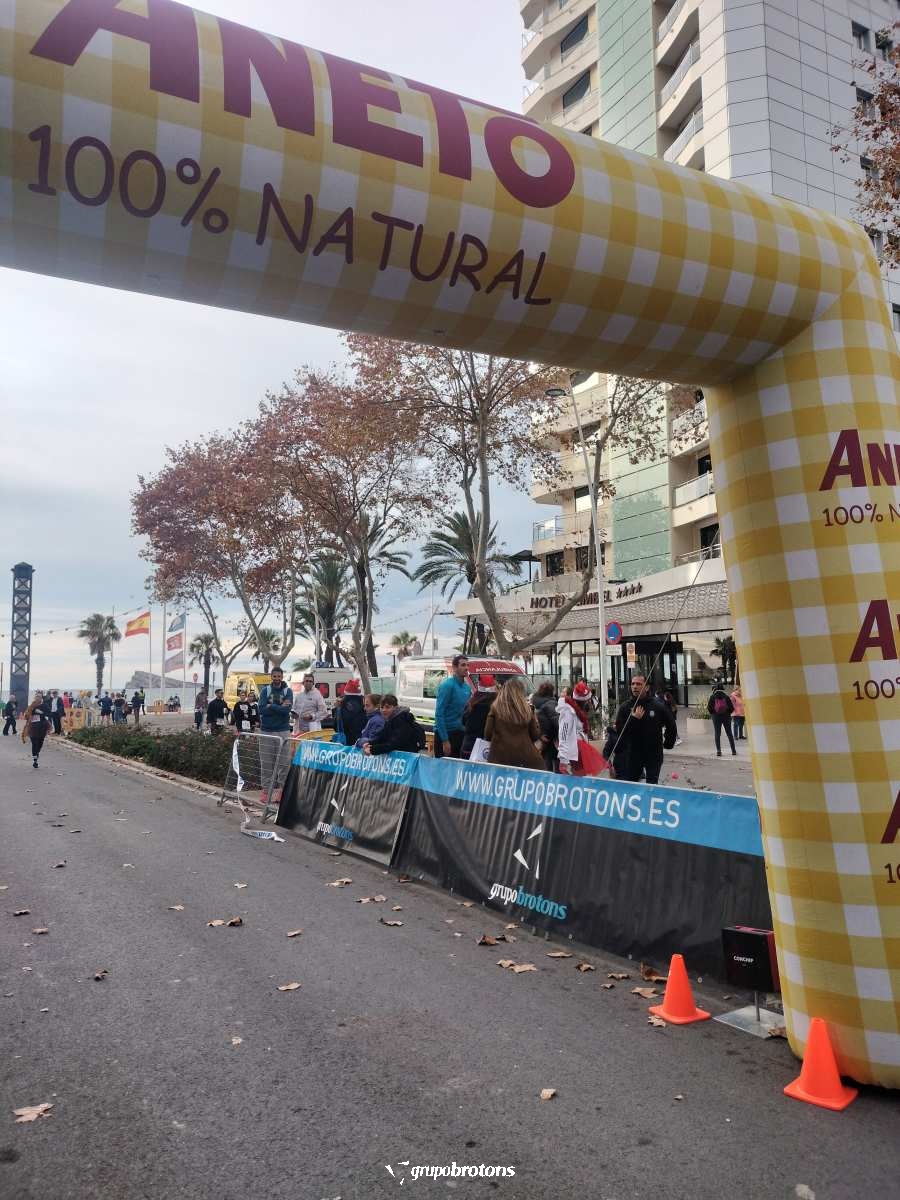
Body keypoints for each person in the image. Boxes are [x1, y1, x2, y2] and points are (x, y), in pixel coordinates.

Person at [610, 674, 677, 784]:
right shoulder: (625, 707)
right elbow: (620, 731)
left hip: (653, 753)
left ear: (646, 687)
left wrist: (668, 743)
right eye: (633, 684)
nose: (635, 686)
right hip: (633, 753)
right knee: (632, 784)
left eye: (639, 684)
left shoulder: (657, 706)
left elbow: (671, 725)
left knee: (652, 785)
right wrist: (633, 719)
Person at [483, 677, 544, 770]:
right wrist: (536, 721)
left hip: (500, 759)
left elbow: (487, 734)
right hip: (526, 759)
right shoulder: (527, 709)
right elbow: (535, 736)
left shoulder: (495, 708)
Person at [258, 668, 295, 802]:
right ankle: (266, 791)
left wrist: (271, 706)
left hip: (283, 731)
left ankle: (282, 791)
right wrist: (279, 707)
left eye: (279, 676)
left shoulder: (288, 691)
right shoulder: (265, 691)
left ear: (282, 677)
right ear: (271, 677)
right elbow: (261, 709)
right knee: (266, 763)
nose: (277, 678)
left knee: (284, 763)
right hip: (266, 731)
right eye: (274, 676)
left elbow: (286, 711)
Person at [434, 654, 470, 759]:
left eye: (467, 665)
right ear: (454, 668)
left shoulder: (467, 688)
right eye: (463, 665)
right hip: (445, 734)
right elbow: (439, 714)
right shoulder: (447, 685)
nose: (466, 668)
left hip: (460, 734)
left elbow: (465, 712)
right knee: (443, 768)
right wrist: (445, 740)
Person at [460, 674, 497, 759]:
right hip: (487, 750)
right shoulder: (496, 706)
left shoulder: (471, 703)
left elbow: (463, 722)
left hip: (468, 747)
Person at [531, 682, 559, 771]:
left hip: (542, 736)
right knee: (555, 761)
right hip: (551, 736)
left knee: (545, 759)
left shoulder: (536, 702)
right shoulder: (550, 703)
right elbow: (556, 721)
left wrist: (539, 734)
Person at [21, 691, 52, 768]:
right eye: (36, 696)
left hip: (42, 727)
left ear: (41, 698)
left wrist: (42, 713)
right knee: (34, 743)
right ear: (34, 698)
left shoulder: (45, 706)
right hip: (33, 727)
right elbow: (26, 716)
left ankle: (36, 753)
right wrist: (30, 713)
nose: (37, 698)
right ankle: (35, 760)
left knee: (40, 743)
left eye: (39, 697)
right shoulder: (31, 706)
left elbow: (49, 714)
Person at [556, 688, 582, 775]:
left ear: (568, 696)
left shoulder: (567, 711)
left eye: (563, 692)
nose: (561, 693)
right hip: (569, 752)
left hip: (567, 755)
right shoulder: (567, 709)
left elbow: (564, 734)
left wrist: (563, 759)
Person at [708, 683, 737, 756]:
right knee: (729, 733)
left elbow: (709, 708)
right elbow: (731, 708)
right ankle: (733, 751)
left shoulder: (712, 696)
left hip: (716, 717)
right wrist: (727, 713)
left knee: (717, 733)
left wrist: (714, 713)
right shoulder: (726, 697)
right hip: (726, 717)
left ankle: (719, 751)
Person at [335, 679, 366, 746]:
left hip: (346, 741)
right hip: (361, 742)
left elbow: (336, 725)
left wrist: (337, 708)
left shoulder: (342, 707)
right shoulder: (364, 706)